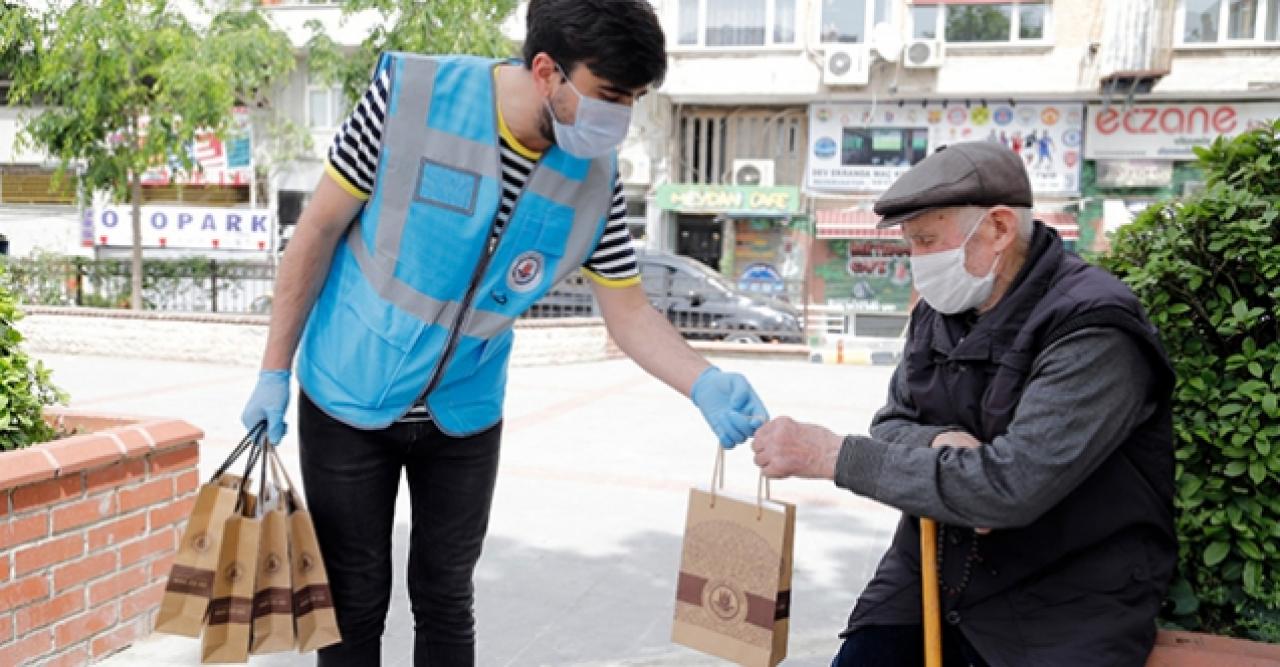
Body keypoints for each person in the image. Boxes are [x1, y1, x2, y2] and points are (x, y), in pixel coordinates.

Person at [239, 1, 768, 664]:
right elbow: (315, 230)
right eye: (609, 96)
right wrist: (273, 370)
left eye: (632, 100)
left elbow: (629, 311)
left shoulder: (595, 181)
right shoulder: (410, 97)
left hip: (463, 411)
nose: (620, 119)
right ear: (546, 70)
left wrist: (705, 381)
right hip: (349, 392)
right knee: (353, 600)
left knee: (445, 596)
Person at [750, 141, 1175, 667]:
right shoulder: (940, 309)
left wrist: (830, 456)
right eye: (910, 244)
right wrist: (937, 442)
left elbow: (1008, 489)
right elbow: (891, 423)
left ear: (998, 228)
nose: (916, 263)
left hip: (1062, 604)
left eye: (927, 241)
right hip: (928, 571)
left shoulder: (1093, 326)